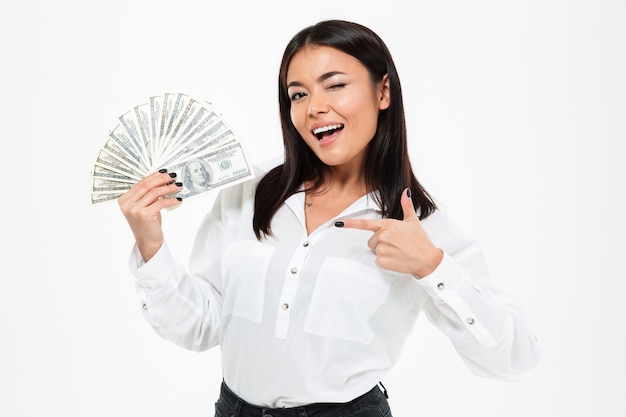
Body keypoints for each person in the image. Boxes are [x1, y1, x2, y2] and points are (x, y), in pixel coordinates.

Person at [119, 19, 541, 417]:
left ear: (383, 92)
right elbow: (201, 327)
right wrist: (150, 243)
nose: (314, 107)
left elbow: (513, 358)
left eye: (335, 85)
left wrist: (432, 266)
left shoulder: (418, 221)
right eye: (298, 94)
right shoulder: (251, 191)